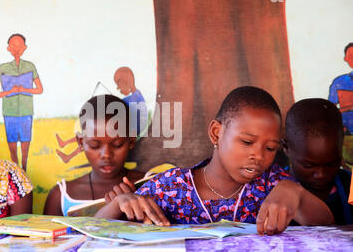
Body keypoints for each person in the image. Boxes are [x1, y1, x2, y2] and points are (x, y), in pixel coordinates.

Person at [96, 86, 334, 235]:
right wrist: (117, 205)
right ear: (216, 133)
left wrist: (296, 193)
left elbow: (329, 228)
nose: (259, 156)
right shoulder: (168, 188)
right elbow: (94, 231)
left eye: (270, 147)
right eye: (247, 142)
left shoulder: (274, 184)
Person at [43, 94, 145, 216]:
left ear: (131, 140)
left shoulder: (153, 184)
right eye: (94, 145)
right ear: (81, 142)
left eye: (117, 144)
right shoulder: (61, 195)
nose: (106, 155)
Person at [282, 98, 352, 225]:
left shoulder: (350, 185)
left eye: (331, 164)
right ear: (286, 148)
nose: (321, 174)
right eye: (308, 165)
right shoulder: (268, 191)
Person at [0, 33, 44, 171]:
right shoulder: (2, 68)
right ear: (8, 48)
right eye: (13, 45)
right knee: (13, 151)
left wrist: (24, 88)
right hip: (9, 114)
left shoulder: (30, 66)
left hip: (26, 113)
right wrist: (10, 91)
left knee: (25, 151)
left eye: (19, 45)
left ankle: (25, 172)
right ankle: (17, 174)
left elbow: (39, 89)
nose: (16, 48)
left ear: (24, 48)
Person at [114, 67, 147, 136]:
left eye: (118, 84)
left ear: (126, 82)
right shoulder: (134, 97)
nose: (117, 88)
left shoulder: (135, 100)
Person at [328, 42, 353, 134]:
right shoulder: (339, 82)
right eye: (350, 56)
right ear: (345, 59)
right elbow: (330, 110)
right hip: (345, 132)